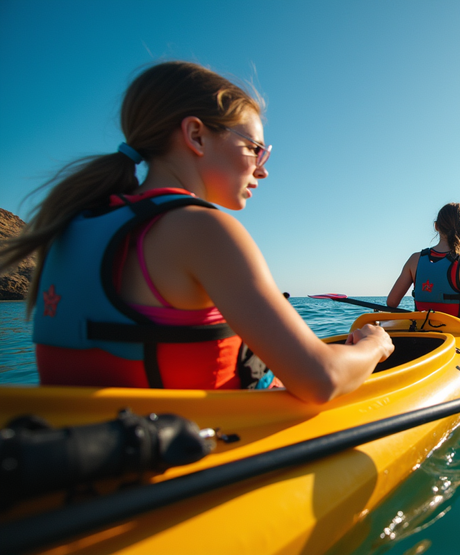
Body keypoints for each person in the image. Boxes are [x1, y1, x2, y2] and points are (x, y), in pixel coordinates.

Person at [0, 61, 393, 403]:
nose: (263, 169)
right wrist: (374, 345)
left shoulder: (71, 223)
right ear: (196, 135)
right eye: (255, 149)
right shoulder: (202, 228)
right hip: (193, 461)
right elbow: (321, 379)